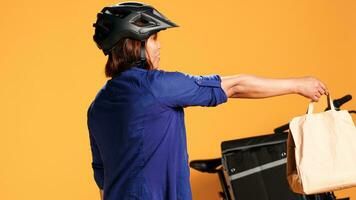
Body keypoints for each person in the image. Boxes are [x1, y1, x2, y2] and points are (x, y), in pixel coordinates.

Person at [87, 2, 328, 200]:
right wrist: (298, 84)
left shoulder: (97, 106)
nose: (159, 46)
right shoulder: (156, 86)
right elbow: (235, 86)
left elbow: (102, 179)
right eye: (153, 39)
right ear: (135, 44)